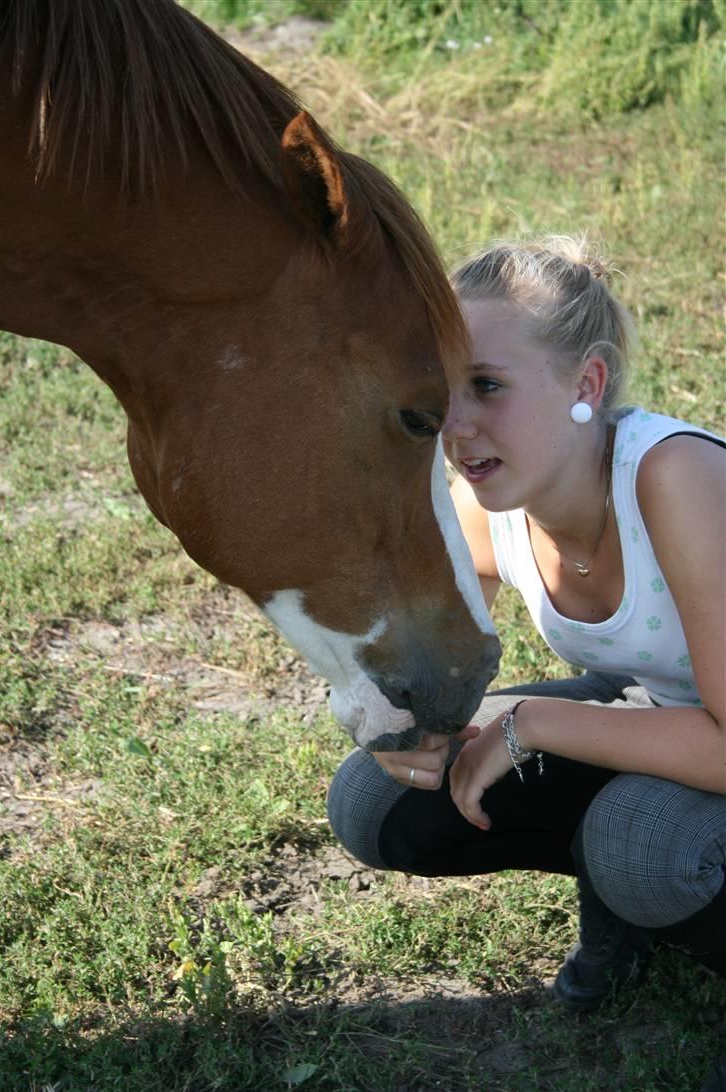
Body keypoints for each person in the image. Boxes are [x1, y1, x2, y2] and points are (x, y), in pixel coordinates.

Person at [327, 237, 725, 1089]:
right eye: (443, 391)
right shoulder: (489, 502)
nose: (454, 425)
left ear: (587, 384)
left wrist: (532, 721)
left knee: (639, 843)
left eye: (488, 386)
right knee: (375, 801)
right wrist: (389, 723)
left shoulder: (677, 477)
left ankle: (640, 889)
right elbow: (403, 656)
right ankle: (633, 908)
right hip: (667, 715)